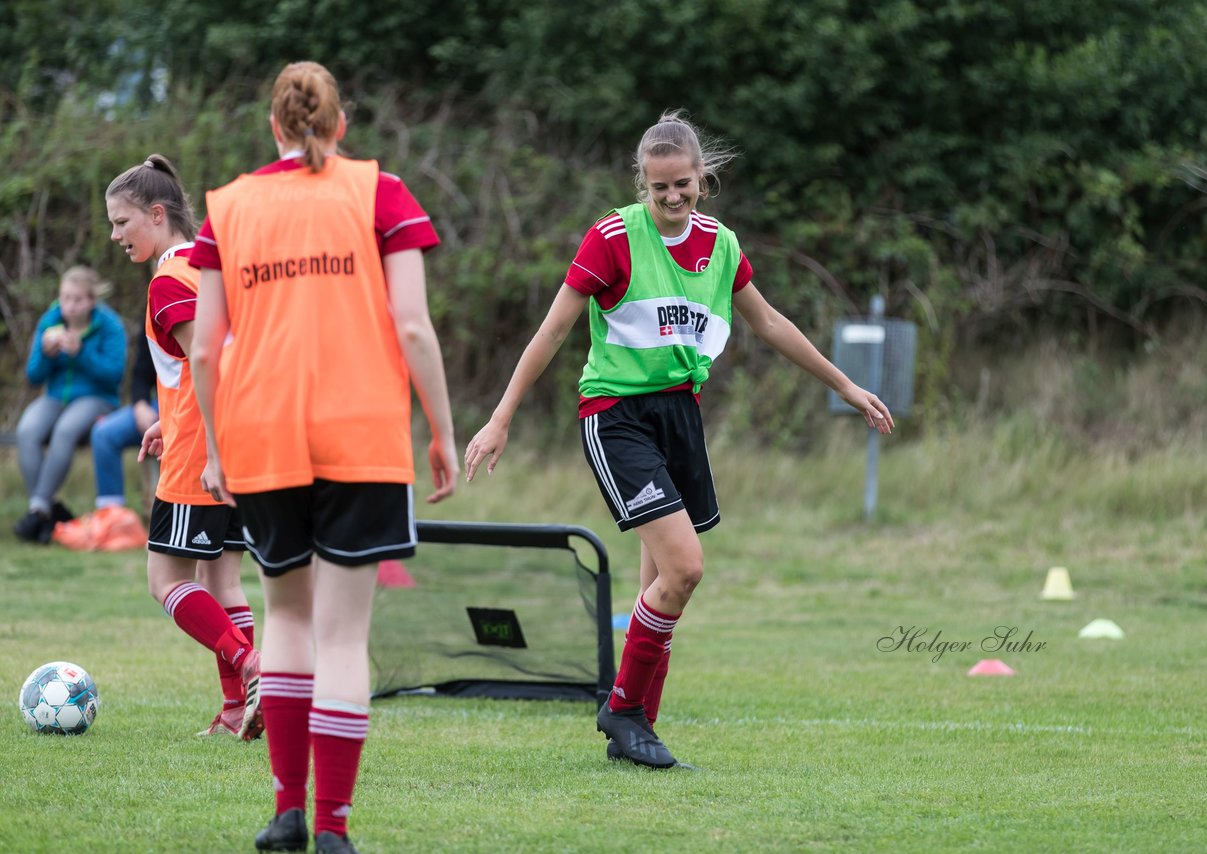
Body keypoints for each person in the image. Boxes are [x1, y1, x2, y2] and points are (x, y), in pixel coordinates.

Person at [465, 111, 895, 769]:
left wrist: (845, 386)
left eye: (684, 186)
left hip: (679, 418)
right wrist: (501, 417)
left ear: (703, 179)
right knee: (686, 568)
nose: (672, 198)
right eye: (659, 186)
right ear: (643, 182)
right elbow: (552, 332)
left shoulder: (721, 245)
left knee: (662, 583)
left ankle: (638, 732)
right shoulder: (612, 237)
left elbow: (772, 323)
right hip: (617, 418)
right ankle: (625, 712)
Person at [187, 61, 457, 854]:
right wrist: (442, 430)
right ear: (341, 126)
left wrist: (214, 442)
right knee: (343, 638)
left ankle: (285, 813)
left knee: (287, 620)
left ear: (275, 127)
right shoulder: (381, 192)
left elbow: (205, 349)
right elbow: (412, 326)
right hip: (363, 436)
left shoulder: (226, 209)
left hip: (262, 436)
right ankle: (333, 827)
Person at [105, 154, 261, 739]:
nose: (115, 235)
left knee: (164, 579)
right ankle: (231, 713)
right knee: (222, 581)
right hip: (239, 440)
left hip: (205, 454)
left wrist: (202, 445)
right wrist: (170, 419)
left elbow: (208, 361)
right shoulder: (212, 268)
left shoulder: (170, 281)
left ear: (155, 213)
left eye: (122, 222)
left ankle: (253, 667)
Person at [14, 266, 126, 543]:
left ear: (91, 301)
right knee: (26, 430)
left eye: (77, 299)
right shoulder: (49, 321)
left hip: (97, 400)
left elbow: (114, 375)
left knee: (65, 430)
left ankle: (39, 511)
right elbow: (33, 375)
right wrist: (46, 353)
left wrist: (81, 353)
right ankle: (47, 513)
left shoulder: (110, 325)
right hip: (54, 398)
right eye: (65, 298)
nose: (70, 306)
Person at [52, 315, 157, 551]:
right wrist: (140, 404)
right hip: (154, 405)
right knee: (103, 432)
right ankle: (113, 521)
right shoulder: (153, 308)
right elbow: (141, 372)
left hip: (192, 405)